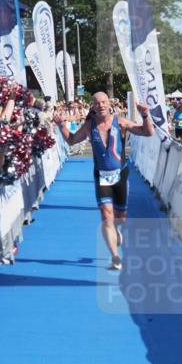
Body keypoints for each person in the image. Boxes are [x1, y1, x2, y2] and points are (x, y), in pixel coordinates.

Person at [52, 91, 154, 271]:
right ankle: (115, 257)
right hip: (102, 175)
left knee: (120, 218)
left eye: (104, 102)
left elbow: (147, 132)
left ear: (109, 104)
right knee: (107, 216)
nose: (101, 105)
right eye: (97, 102)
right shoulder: (89, 125)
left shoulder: (120, 122)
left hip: (120, 174)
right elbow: (72, 140)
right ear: (93, 105)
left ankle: (117, 231)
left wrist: (145, 115)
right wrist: (61, 126)